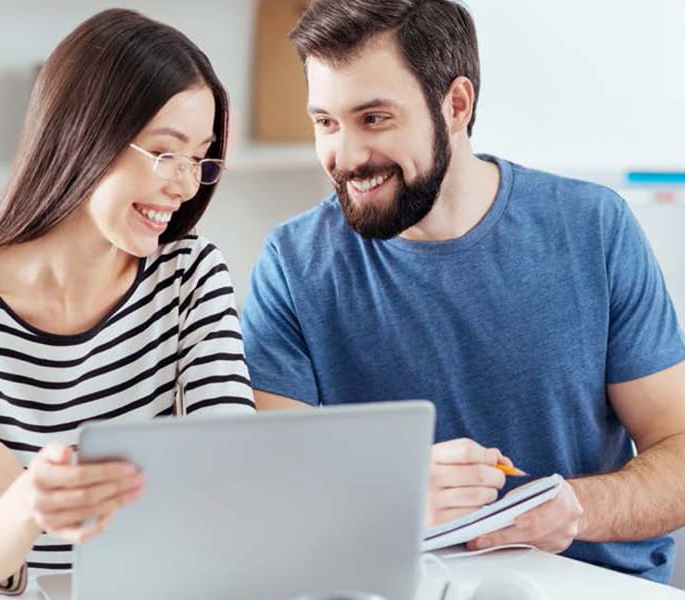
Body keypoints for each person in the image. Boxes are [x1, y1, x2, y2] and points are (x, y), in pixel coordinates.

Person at [240, 0, 685, 583]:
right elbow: (265, 486)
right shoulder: (293, 264)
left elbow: (676, 450)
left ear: (455, 104)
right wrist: (389, 494)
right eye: (326, 122)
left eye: (374, 119)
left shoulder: (593, 229)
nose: (345, 157)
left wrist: (577, 510)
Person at [0, 9, 254, 597]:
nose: (187, 185)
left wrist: (31, 484)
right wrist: (33, 500)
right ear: (84, 133)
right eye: (166, 153)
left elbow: (236, 484)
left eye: (200, 157)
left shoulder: (190, 275)